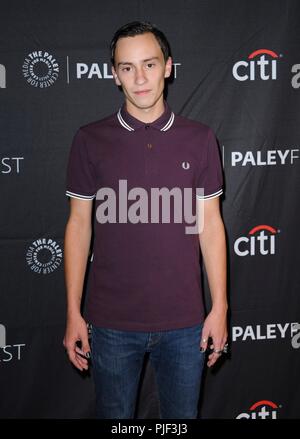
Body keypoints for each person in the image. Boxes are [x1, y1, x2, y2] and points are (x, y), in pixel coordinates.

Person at [63, 21, 228, 419]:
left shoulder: (200, 138)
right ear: (114, 74)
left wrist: (219, 307)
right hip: (110, 323)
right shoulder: (90, 139)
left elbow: (210, 225)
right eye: (127, 67)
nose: (140, 78)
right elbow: (78, 226)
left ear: (168, 67)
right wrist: (73, 312)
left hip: (186, 324)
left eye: (150, 64)